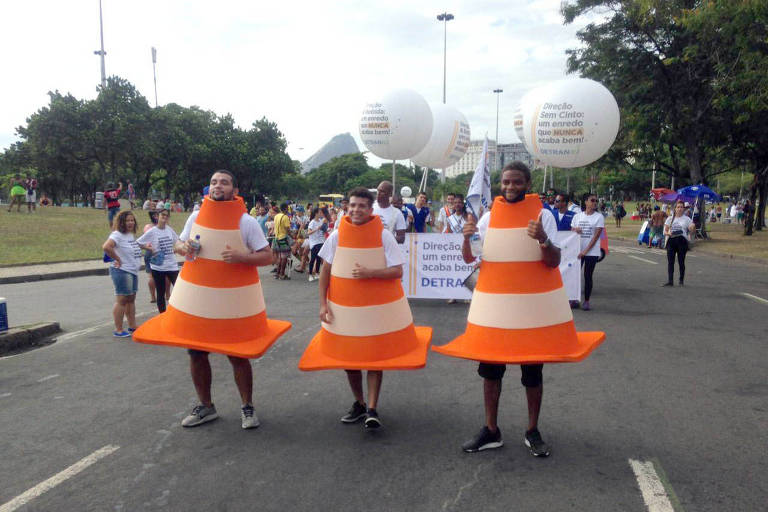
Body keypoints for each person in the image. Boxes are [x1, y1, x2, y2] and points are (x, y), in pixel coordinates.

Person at [459, 161, 560, 456]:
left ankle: (532, 430)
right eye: (505, 182)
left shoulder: (543, 216)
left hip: (531, 309)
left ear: (527, 184)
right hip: (496, 310)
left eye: (516, 182)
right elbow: (471, 258)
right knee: (490, 372)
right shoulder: (489, 217)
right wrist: (466, 238)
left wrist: (542, 239)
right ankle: (491, 430)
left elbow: (553, 262)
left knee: (532, 372)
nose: (510, 187)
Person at [174, 170, 274, 430]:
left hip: (233, 302)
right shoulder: (197, 216)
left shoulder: (245, 222)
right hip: (200, 299)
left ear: (234, 190)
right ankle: (206, 406)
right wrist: (184, 248)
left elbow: (267, 256)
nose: (218, 186)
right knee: (196, 352)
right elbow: (179, 244)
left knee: (237, 354)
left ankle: (247, 406)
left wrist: (243, 257)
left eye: (224, 182)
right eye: (214, 182)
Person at [317, 187, 405, 430]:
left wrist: (370, 273)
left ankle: (373, 409)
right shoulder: (336, 235)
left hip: (375, 310)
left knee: (374, 358)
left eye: (362, 206)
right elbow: (325, 269)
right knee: (351, 360)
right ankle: (359, 403)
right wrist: (323, 303)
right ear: (347, 206)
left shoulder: (383, 235)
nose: (356, 210)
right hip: (344, 309)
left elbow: (398, 270)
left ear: (370, 209)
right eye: (353, 205)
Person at [102, 210, 142, 337]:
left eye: (132, 220)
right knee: (122, 299)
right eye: (127, 220)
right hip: (122, 271)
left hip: (132, 270)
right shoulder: (117, 234)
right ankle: (118, 329)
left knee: (131, 299)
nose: (130, 223)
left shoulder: (129, 235)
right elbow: (106, 247)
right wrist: (118, 259)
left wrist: (146, 247)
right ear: (121, 222)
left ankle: (132, 325)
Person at [137, 209, 180, 313]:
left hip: (172, 265)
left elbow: (178, 241)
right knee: (160, 293)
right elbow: (138, 242)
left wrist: (179, 247)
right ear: (157, 216)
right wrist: (149, 248)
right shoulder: (152, 231)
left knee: (180, 290)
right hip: (158, 267)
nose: (165, 217)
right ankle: (162, 315)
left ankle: (178, 312)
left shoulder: (170, 230)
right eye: (163, 215)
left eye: (167, 215)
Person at [571, 194, 604, 311]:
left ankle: (587, 301)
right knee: (575, 275)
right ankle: (574, 299)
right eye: (592, 200)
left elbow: (596, 237)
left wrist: (585, 251)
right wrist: (575, 230)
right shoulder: (577, 216)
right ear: (586, 202)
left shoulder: (599, 217)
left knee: (588, 276)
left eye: (596, 201)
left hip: (592, 252)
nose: (595, 203)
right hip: (577, 251)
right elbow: (571, 232)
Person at [662, 200, 696, 286]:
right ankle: (670, 281)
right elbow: (665, 231)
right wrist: (668, 233)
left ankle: (681, 280)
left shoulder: (687, 219)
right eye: (678, 207)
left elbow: (692, 232)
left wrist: (692, 228)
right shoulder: (670, 218)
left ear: (684, 209)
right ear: (675, 208)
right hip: (671, 241)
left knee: (681, 261)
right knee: (670, 262)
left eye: (681, 207)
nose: (680, 209)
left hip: (682, 241)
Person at [141, 210, 160, 303]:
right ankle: (167, 294)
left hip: (148, 251)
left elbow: (145, 240)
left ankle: (153, 297)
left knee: (151, 276)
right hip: (158, 251)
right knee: (165, 275)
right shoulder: (161, 228)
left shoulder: (147, 227)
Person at [306, 207, 329, 282]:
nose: (321, 214)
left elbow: (324, 229)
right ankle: (310, 275)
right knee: (313, 259)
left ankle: (316, 273)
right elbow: (308, 232)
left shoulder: (320, 221)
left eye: (321, 213)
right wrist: (317, 229)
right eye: (320, 213)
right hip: (314, 243)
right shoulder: (312, 222)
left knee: (319, 258)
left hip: (321, 241)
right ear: (316, 213)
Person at [272, 203, 293, 279]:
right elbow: (287, 229)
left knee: (280, 257)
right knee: (285, 257)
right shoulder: (285, 217)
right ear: (285, 209)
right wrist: (292, 235)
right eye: (287, 208)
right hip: (283, 238)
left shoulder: (276, 216)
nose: (288, 210)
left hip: (276, 238)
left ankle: (278, 273)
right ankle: (282, 274)